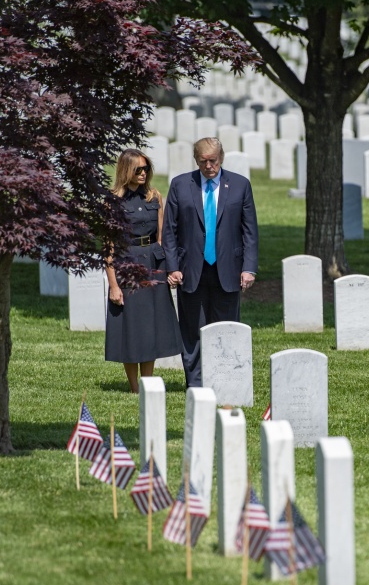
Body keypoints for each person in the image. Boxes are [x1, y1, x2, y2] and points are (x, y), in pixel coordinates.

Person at [163, 137, 258, 388]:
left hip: (228, 269)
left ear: (221, 157)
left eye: (213, 160)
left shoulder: (239, 185)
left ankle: (225, 380)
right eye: (203, 161)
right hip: (190, 270)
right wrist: (172, 267)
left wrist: (248, 268)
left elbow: (249, 231)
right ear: (196, 160)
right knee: (192, 329)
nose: (208, 166)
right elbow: (170, 231)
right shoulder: (181, 185)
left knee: (226, 328)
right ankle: (195, 384)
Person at [104, 149, 183, 393]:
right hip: (127, 265)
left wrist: (170, 269)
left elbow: (162, 236)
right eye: (138, 169)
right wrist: (114, 285)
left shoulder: (154, 196)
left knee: (151, 325)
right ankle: (134, 387)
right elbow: (109, 247)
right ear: (126, 170)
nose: (143, 173)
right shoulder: (113, 201)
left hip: (153, 265)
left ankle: (147, 382)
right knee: (131, 326)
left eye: (146, 168)